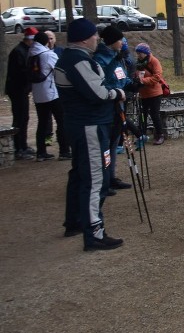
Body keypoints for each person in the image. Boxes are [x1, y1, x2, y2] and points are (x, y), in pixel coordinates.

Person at [56, 18, 126, 250]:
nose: (97, 39)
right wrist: (117, 93)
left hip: (83, 124)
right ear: (85, 38)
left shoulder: (71, 58)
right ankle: (94, 231)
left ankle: (75, 221)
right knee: (96, 179)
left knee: (80, 174)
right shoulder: (77, 60)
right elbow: (97, 92)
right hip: (90, 126)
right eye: (94, 36)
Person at [94, 26, 137, 192]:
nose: (122, 42)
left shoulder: (117, 57)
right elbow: (103, 82)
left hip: (119, 104)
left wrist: (132, 85)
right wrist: (117, 92)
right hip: (108, 106)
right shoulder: (101, 58)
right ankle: (104, 179)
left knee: (114, 143)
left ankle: (111, 176)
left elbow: (121, 77)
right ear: (112, 41)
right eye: (120, 39)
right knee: (105, 144)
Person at [28, 31, 69, 161]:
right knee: (61, 121)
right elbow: (60, 70)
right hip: (52, 92)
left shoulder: (31, 53)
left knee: (42, 122)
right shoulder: (48, 54)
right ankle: (64, 150)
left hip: (38, 93)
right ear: (46, 41)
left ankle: (41, 152)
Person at [5, 27, 38, 159]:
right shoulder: (19, 52)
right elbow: (21, 72)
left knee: (23, 118)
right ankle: (19, 147)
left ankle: (23, 145)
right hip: (18, 90)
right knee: (20, 118)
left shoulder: (23, 50)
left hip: (21, 89)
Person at [135, 42, 166, 145]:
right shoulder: (138, 63)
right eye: (137, 53)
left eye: (140, 53)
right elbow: (137, 75)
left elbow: (157, 77)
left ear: (146, 53)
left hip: (155, 93)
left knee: (154, 114)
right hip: (143, 94)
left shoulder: (154, 61)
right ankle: (141, 135)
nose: (138, 55)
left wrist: (143, 81)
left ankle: (160, 135)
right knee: (142, 115)